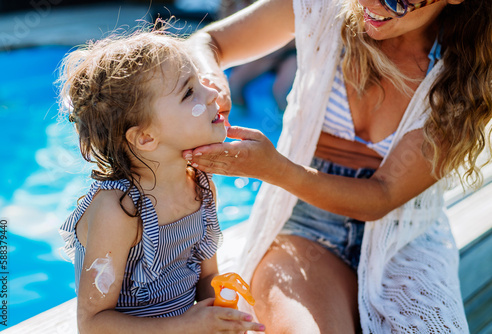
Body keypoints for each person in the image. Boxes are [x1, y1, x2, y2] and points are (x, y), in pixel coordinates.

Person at [183, 0, 492, 332]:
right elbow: (207, 43)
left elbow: (383, 195)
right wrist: (212, 79)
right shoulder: (324, 7)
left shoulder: (468, 71)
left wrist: (274, 169)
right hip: (304, 226)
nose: (369, 4)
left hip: (403, 238)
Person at [58, 30, 265, 333]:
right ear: (145, 137)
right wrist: (183, 326)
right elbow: (92, 323)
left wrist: (223, 315)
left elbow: (206, 278)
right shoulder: (119, 211)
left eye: (200, 81)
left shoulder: (200, 185)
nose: (212, 94)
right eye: (189, 92)